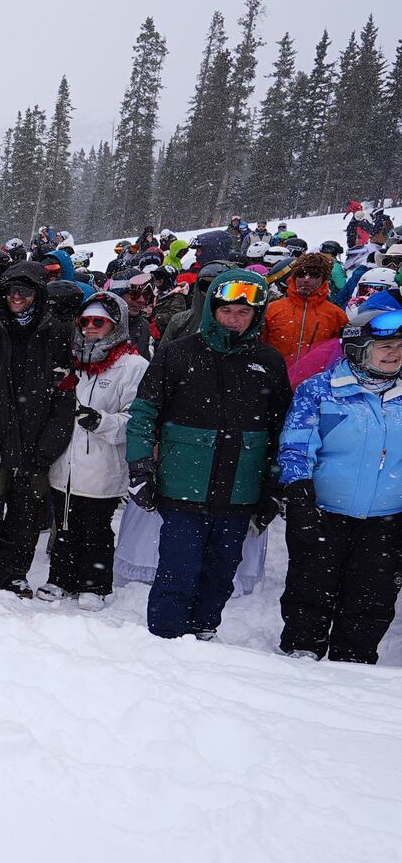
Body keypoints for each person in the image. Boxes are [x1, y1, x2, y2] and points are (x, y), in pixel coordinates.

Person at [126, 270, 291, 641]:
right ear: (213, 310)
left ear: (256, 316)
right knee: (178, 568)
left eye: (243, 313)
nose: (234, 319)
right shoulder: (177, 354)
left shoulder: (268, 361)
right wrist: (140, 468)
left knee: (221, 571)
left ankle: (203, 632)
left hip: (239, 488)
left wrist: (274, 486)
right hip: (184, 484)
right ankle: (165, 637)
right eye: (227, 310)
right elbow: (143, 415)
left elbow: (283, 430)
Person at [274, 310, 402, 663]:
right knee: (311, 586)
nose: (395, 352)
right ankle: (302, 648)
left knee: (372, 595)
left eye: (400, 345)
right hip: (325, 513)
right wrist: (299, 494)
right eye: (385, 345)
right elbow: (297, 446)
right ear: (359, 348)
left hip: (386, 520)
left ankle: (355, 659)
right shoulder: (321, 391)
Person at [0, 260, 75, 598]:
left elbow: (65, 395)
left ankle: (13, 571)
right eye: (10, 289)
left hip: (36, 437)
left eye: (25, 290)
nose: (17, 296)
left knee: (26, 511)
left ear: (38, 293)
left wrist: (47, 446)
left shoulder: (57, 333)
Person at [39, 293, 148, 610]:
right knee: (65, 525)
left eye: (98, 322)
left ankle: (94, 584)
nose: (89, 327)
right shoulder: (73, 360)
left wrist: (103, 422)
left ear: (116, 325)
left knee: (96, 529)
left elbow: (137, 419)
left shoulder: (133, 365)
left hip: (102, 464)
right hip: (66, 462)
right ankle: (60, 578)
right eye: (84, 321)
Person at [261, 252, 347, 366]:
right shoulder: (272, 309)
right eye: (301, 274)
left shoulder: (336, 314)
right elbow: (260, 347)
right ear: (294, 277)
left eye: (314, 275)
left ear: (323, 279)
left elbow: (341, 353)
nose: (306, 279)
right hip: (276, 376)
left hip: (315, 379)